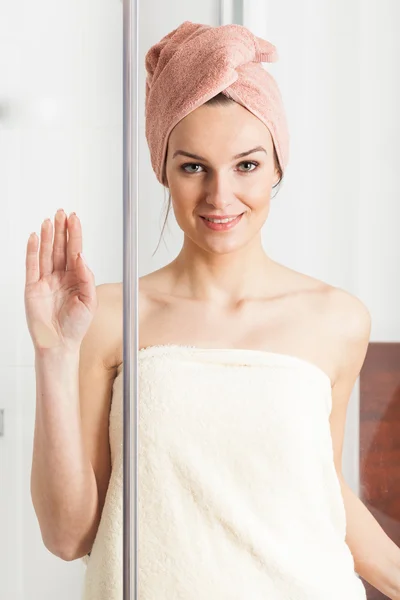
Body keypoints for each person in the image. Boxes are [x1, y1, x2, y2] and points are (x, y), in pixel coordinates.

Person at [24, 20, 400, 600]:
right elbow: (69, 536)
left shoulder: (337, 319)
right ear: (163, 172)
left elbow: (320, 492)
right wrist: (53, 354)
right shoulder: (107, 317)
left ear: (277, 166)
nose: (220, 197)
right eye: (193, 166)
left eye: (246, 165)